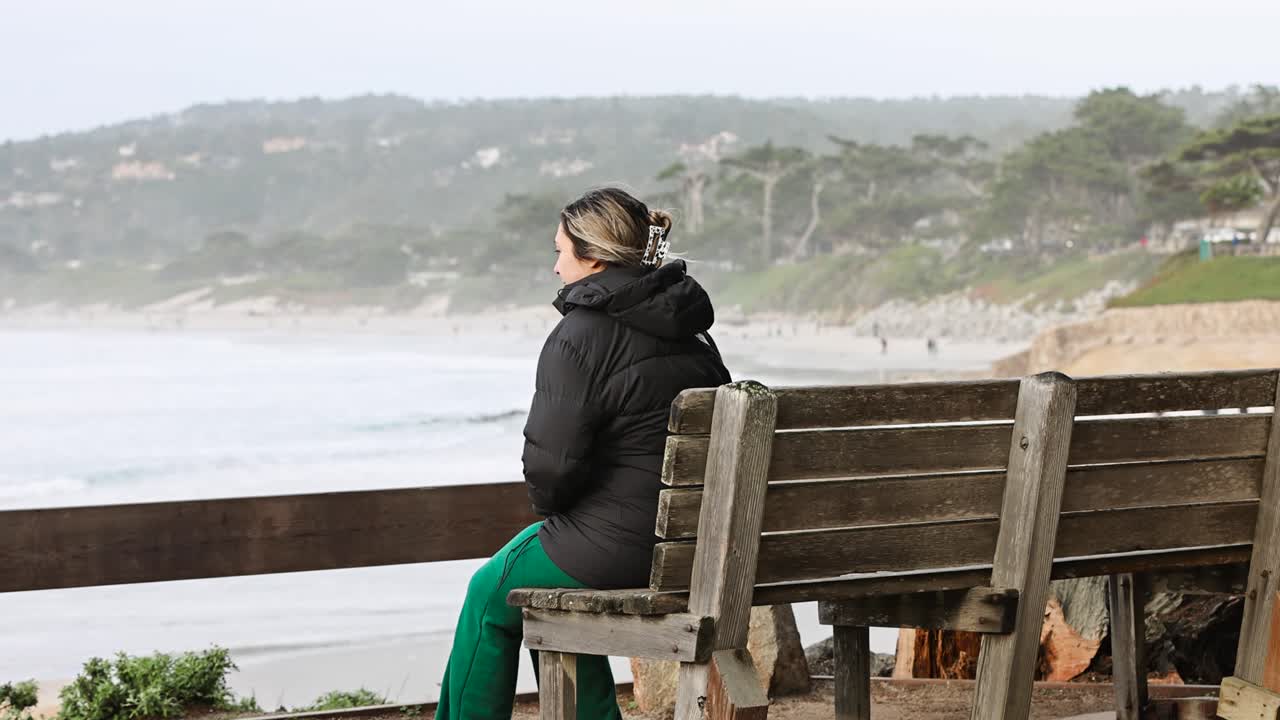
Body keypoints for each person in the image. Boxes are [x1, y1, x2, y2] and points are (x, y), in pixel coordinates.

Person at [435, 187, 732, 719]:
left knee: (487, 594)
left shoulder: (580, 334)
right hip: (702, 545)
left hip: (624, 546)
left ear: (592, 257)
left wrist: (556, 511)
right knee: (538, 570)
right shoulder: (694, 335)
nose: (554, 268)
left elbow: (551, 465)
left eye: (559, 252)